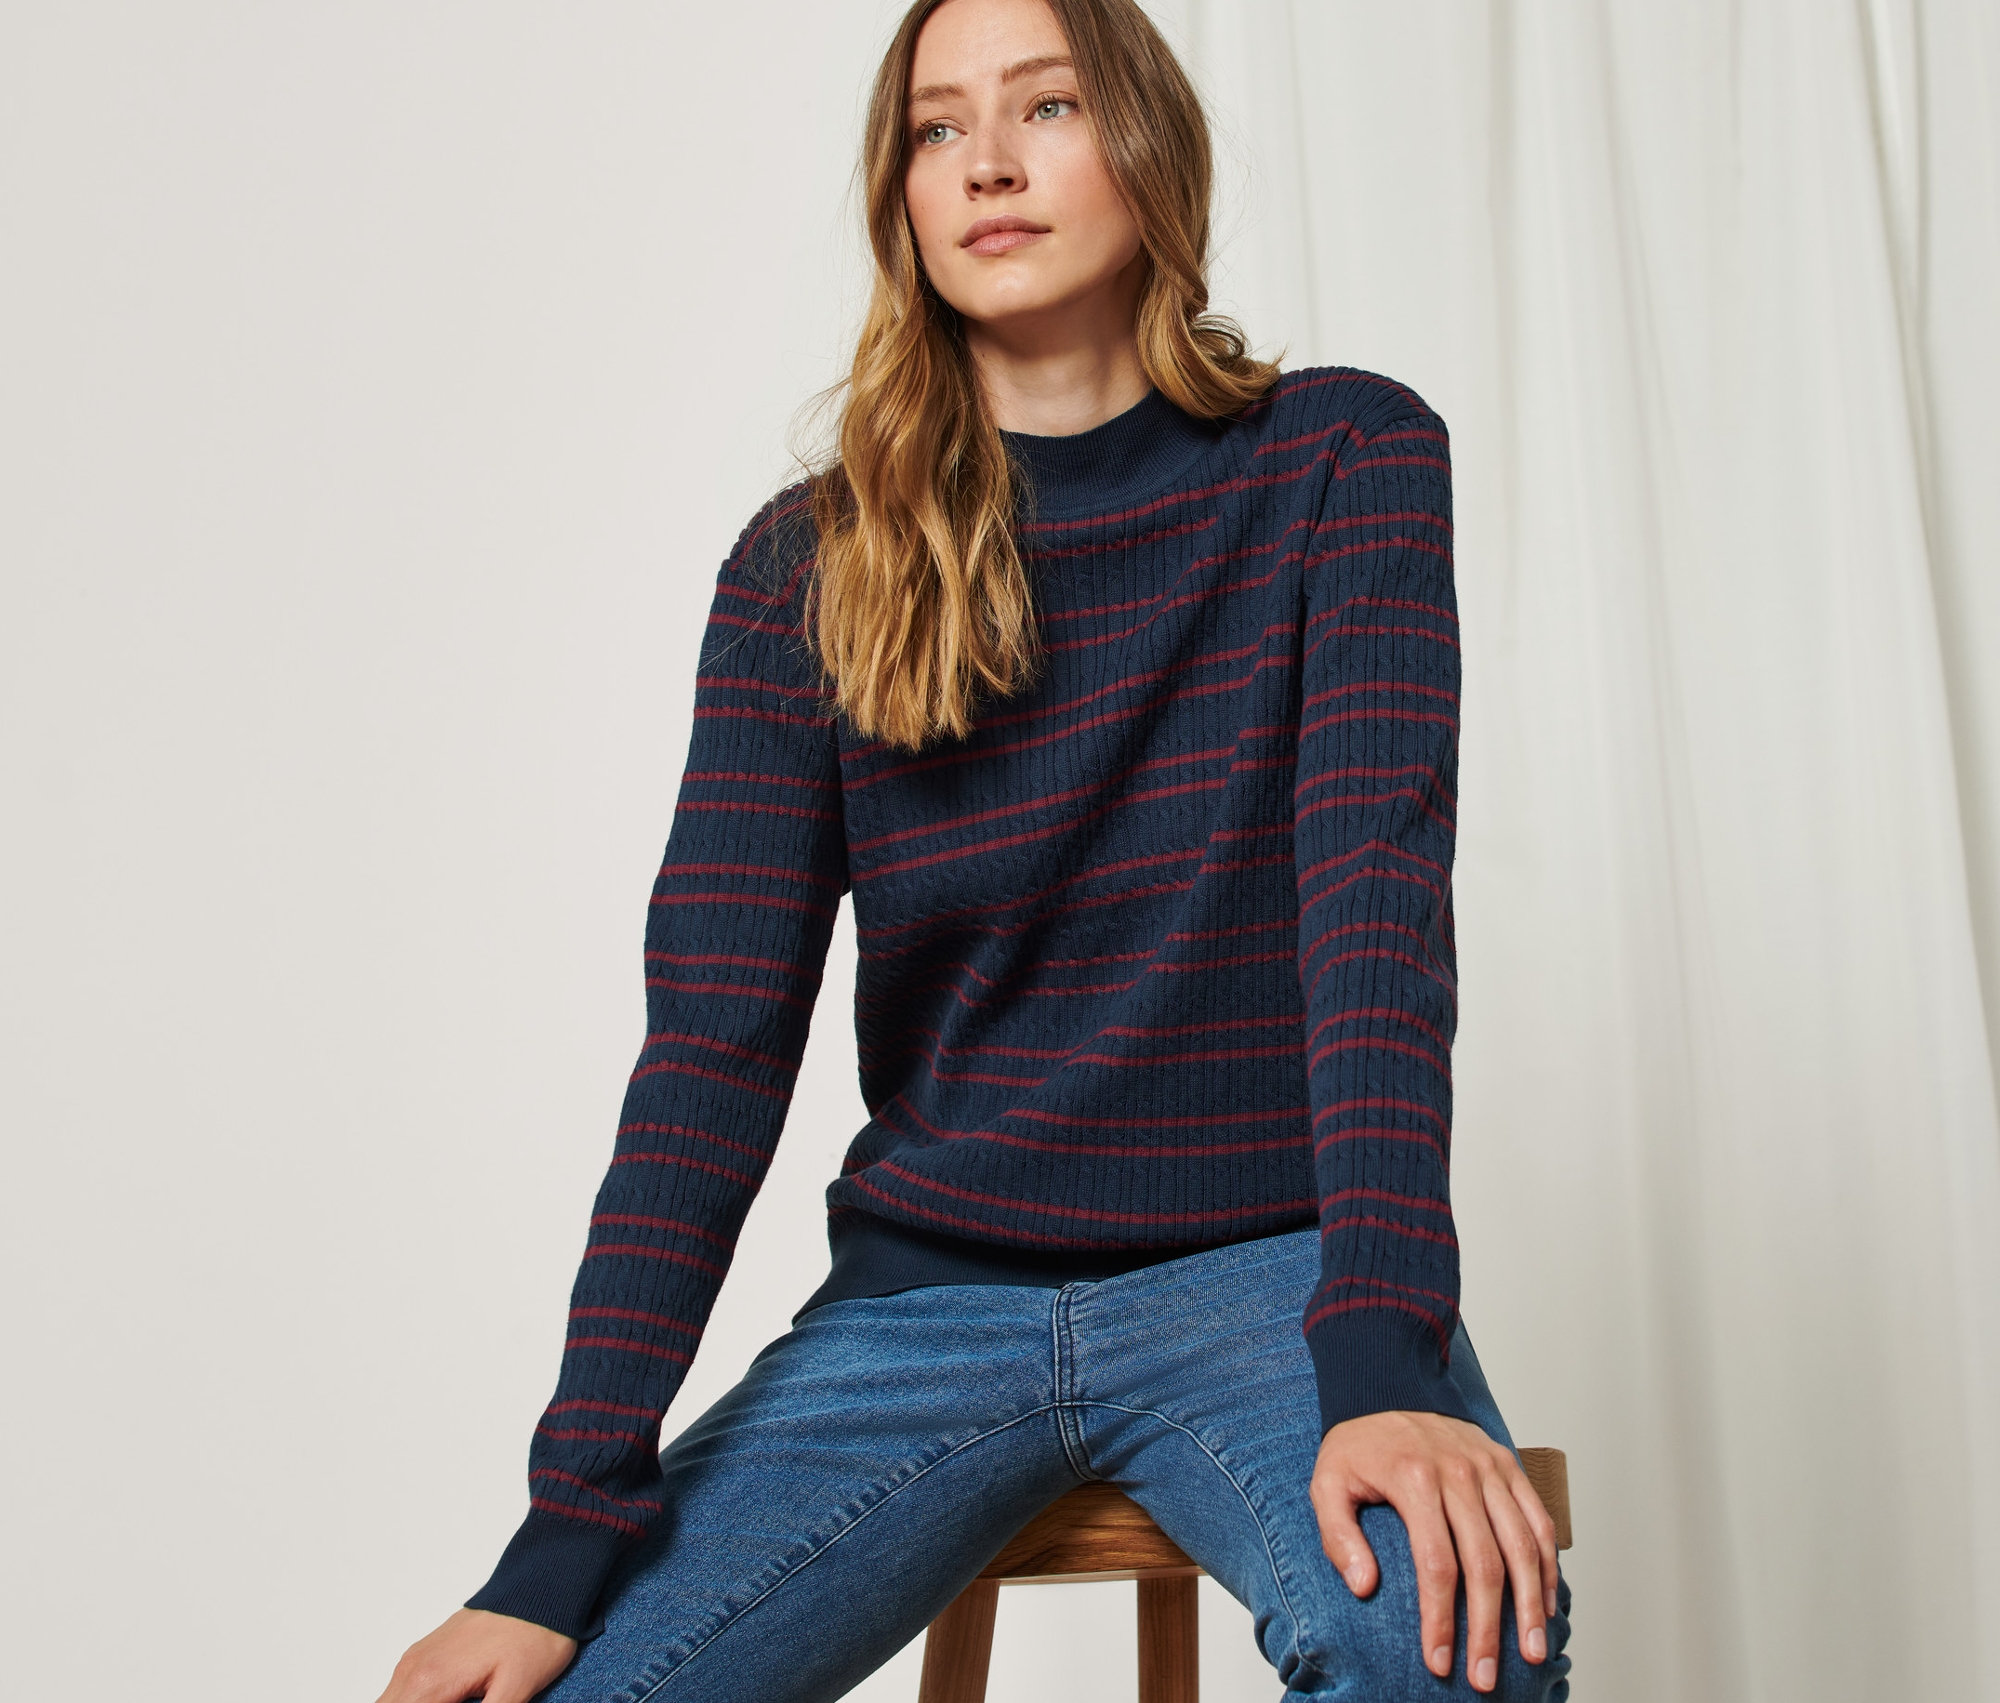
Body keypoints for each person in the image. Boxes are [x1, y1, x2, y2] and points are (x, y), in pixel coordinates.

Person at [375, 0, 1573, 1698]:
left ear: (1148, 151)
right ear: (901, 198)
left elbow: (1375, 916)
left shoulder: (1344, 464)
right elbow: (711, 1052)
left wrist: (1383, 1353)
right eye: (938, 129)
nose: (988, 164)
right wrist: (560, 1534)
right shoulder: (804, 570)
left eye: (1047, 106)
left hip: (1271, 1277)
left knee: (1445, 1653)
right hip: (925, 1313)